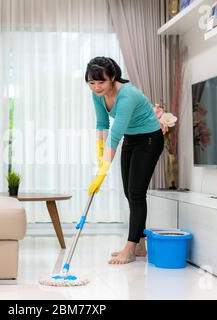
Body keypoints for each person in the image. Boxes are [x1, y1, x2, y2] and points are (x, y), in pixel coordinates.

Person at [86, 57, 164, 264]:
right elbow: (102, 124)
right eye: (91, 83)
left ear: (112, 77)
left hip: (149, 139)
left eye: (100, 82)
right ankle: (139, 245)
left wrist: (102, 171)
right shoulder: (98, 95)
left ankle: (129, 248)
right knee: (129, 192)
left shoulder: (127, 95)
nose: (96, 87)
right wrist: (99, 152)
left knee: (137, 193)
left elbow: (115, 135)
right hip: (131, 139)